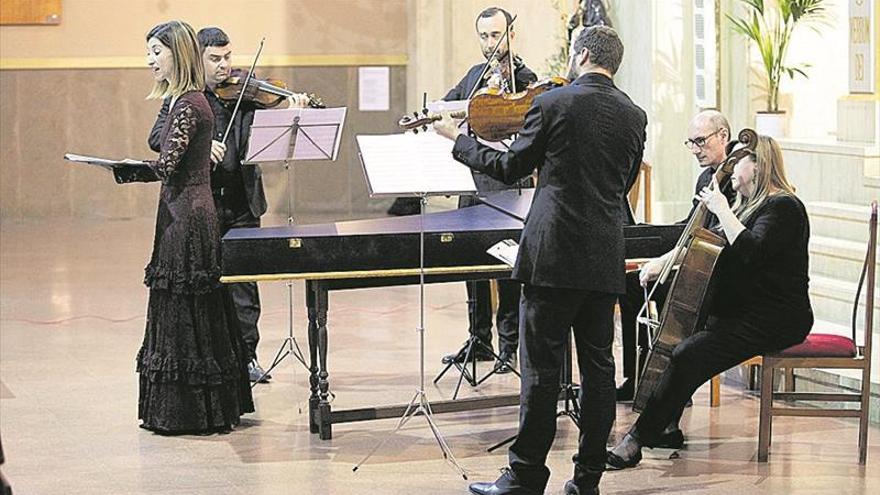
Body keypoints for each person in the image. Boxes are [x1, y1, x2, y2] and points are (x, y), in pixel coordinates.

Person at [434, 25, 646, 495]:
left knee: (541, 372)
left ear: (582, 54)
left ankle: (526, 476)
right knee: (598, 372)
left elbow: (511, 168)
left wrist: (458, 140)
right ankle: (587, 479)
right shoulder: (634, 115)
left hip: (552, 256)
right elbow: (624, 180)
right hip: (604, 256)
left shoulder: (553, 103)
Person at [607, 135, 813, 469]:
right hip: (744, 313)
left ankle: (636, 440)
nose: (730, 171)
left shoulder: (785, 207)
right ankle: (666, 426)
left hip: (777, 318)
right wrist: (662, 262)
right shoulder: (747, 206)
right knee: (684, 343)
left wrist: (721, 208)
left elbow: (752, 252)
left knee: (689, 352)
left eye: (737, 164)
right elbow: (707, 239)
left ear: (759, 166)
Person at [148, 27, 310, 383]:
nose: (225, 67)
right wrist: (198, 146)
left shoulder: (246, 92)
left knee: (244, 286)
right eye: (215, 59)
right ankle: (216, 358)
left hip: (242, 202)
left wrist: (291, 107)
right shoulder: (186, 98)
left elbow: (277, 111)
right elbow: (157, 137)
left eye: (228, 58)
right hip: (204, 203)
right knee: (209, 283)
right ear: (197, 58)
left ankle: (248, 357)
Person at [136, 20, 254, 434]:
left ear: (177, 54)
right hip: (186, 209)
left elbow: (166, 165)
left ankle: (188, 411)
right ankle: (197, 407)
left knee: (188, 308)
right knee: (192, 309)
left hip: (187, 215)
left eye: (157, 52)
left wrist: (123, 171)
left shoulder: (188, 103)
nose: (151, 59)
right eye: (149, 51)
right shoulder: (184, 100)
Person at [439, 6, 539, 374]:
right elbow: (449, 104)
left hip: (508, 184)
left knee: (505, 268)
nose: (489, 43)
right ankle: (478, 339)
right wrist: (438, 112)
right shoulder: (473, 76)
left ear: (511, 35)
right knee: (473, 266)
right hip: (473, 183)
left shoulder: (526, 78)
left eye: (496, 35)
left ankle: (508, 345)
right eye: (483, 36)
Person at [616, 110, 736, 402]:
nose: (695, 150)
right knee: (631, 283)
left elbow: (715, 237)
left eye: (700, 141)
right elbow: (692, 225)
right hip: (699, 262)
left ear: (723, 136)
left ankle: (674, 379)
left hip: (721, 275)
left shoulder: (734, 180)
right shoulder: (706, 177)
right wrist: (651, 235)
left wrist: (666, 260)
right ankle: (638, 375)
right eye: (690, 143)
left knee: (661, 288)